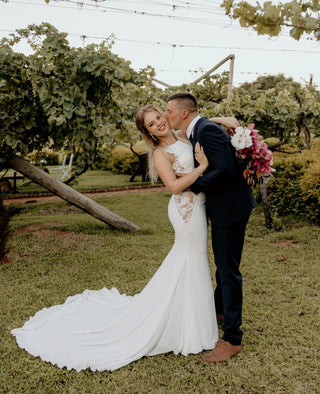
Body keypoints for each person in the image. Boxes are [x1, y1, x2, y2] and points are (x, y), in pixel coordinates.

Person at [11, 104, 234, 372]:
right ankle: (188, 326)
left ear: (166, 116)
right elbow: (173, 187)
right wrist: (204, 167)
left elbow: (198, 123)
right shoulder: (160, 154)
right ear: (148, 133)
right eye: (151, 124)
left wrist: (223, 121)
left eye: (158, 118)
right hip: (185, 212)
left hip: (199, 207)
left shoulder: (185, 137)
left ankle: (194, 320)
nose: (158, 124)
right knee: (190, 258)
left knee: (195, 260)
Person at [166, 92, 257, 363]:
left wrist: (195, 184)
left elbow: (227, 168)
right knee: (225, 265)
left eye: (169, 110)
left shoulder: (205, 130)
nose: (166, 114)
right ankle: (220, 312)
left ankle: (232, 339)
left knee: (228, 270)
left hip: (229, 209)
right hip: (227, 207)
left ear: (184, 113)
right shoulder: (198, 129)